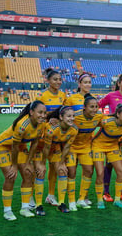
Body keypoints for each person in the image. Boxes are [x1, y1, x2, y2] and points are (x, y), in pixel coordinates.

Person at [0, 101, 46, 221]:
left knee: (28, 174)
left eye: (44, 113)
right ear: (31, 112)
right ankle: (7, 211)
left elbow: (35, 143)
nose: (43, 115)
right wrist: (14, 166)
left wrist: (28, 162)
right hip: (3, 147)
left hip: (20, 147)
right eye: (40, 112)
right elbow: (14, 146)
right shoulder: (22, 125)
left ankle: (25, 208)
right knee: (11, 176)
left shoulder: (41, 124)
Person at [98, 74, 122, 202]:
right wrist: (107, 117)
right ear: (119, 83)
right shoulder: (111, 96)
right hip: (112, 136)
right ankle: (106, 192)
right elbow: (98, 106)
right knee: (109, 165)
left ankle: (121, 192)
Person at [35, 68, 66, 207]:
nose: (58, 82)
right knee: (39, 169)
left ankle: (50, 195)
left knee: (54, 168)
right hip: (41, 138)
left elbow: (65, 115)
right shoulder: (41, 96)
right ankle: (32, 198)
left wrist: (58, 121)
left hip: (56, 139)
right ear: (48, 80)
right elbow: (35, 116)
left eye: (60, 79)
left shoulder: (63, 96)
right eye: (55, 79)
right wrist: (48, 119)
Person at [67, 94, 104, 210]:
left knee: (88, 171)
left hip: (86, 147)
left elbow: (109, 122)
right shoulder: (75, 116)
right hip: (71, 147)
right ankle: (71, 201)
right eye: (91, 107)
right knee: (71, 172)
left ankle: (81, 199)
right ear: (84, 107)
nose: (94, 109)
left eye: (96, 107)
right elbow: (62, 121)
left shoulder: (99, 116)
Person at [92, 104, 122, 209]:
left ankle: (117, 199)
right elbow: (91, 124)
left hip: (113, 147)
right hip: (98, 146)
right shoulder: (106, 121)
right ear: (118, 114)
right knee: (100, 173)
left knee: (121, 172)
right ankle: (100, 200)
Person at [42, 106, 78, 213]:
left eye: (73, 116)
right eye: (69, 116)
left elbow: (66, 147)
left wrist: (62, 163)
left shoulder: (74, 129)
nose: (72, 118)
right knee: (37, 172)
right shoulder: (51, 128)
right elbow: (46, 147)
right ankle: (32, 201)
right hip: (41, 148)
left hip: (55, 148)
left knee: (61, 171)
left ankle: (61, 202)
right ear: (61, 117)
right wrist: (42, 163)